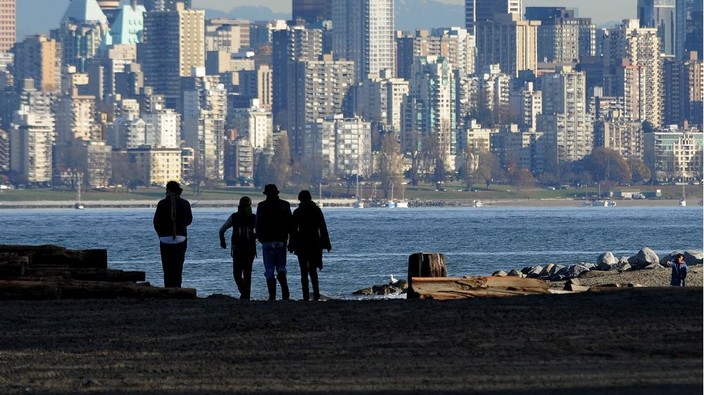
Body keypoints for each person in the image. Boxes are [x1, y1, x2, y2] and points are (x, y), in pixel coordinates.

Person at [289, 190, 331, 301]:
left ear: (300, 199)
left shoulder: (298, 212)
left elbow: (293, 231)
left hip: (301, 243)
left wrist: (291, 245)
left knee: (303, 271)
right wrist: (326, 243)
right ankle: (316, 293)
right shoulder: (316, 210)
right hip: (315, 243)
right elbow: (323, 228)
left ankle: (305, 295)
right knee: (313, 270)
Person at [255, 184, 293, 300]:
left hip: (267, 240)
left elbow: (258, 223)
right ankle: (285, 291)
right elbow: (290, 224)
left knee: (269, 268)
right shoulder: (285, 205)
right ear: (277, 193)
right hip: (281, 240)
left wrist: (260, 237)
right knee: (281, 266)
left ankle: (272, 295)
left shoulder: (261, 206)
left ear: (266, 194)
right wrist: (291, 239)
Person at [153, 181, 193, 288]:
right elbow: (189, 220)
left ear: (168, 190)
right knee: (178, 267)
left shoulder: (161, 203)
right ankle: (177, 288)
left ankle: (168, 288)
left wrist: (161, 235)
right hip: (180, 238)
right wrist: (181, 227)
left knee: (167, 268)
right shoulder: (185, 203)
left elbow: (156, 222)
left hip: (165, 239)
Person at [219, 196, 257, 300]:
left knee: (237, 273)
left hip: (237, 248)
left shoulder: (234, 216)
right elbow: (262, 230)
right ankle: (246, 295)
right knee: (247, 272)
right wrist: (255, 236)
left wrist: (222, 241)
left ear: (239, 205)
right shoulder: (253, 217)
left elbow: (222, 230)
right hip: (250, 248)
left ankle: (244, 292)